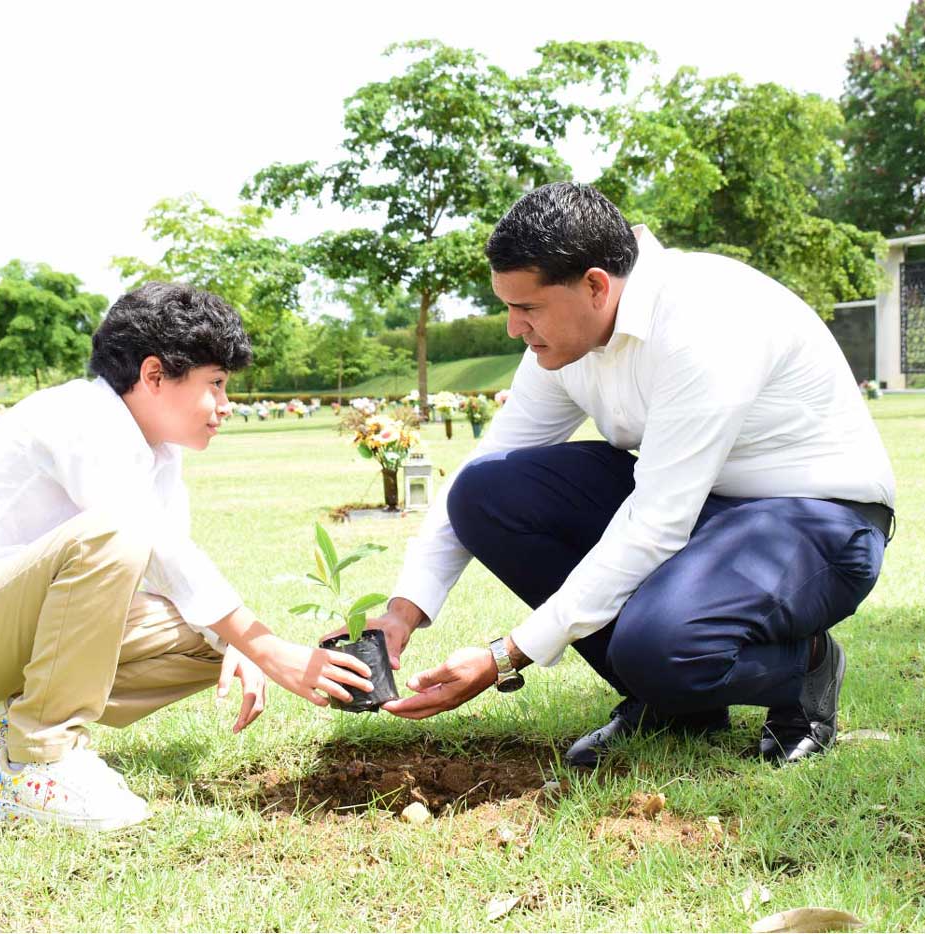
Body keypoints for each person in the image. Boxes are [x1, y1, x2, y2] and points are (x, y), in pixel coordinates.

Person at [366, 183, 895, 766]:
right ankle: (674, 703)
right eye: (508, 307)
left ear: (594, 284)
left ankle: (804, 670)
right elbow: (488, 461)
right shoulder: (563, 342)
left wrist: (505, 655)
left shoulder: (704, 320)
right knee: (486, 492)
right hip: (701, 513)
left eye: (528, 308)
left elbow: (655, 524)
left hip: (816, 521)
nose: (514, 328)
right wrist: (403, 607)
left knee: (659, 645)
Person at [0, 282, 373, 831]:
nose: (224, 406)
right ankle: (35, 766)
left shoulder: (155, 449)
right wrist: (268, 647)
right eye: (214, 384)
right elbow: (148, 545)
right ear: (153, 375)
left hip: (6, 629)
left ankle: (7, 718)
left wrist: (241, 644)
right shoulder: (82, 419)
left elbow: (175, 577)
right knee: (124, 535)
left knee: (213, 641)